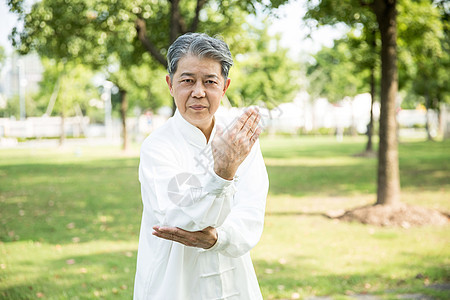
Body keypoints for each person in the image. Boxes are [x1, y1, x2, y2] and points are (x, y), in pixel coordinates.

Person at [133, 32, 269, 300]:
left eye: (210, 81)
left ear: (225, 86)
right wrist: (222, 174)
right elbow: (175, 217)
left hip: (235, 281)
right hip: (174, 284)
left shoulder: (240, 138)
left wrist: (220, 238)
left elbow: (251, 214)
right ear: (170, 84)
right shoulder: (157, 146)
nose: (198, 92)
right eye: (187, 80)